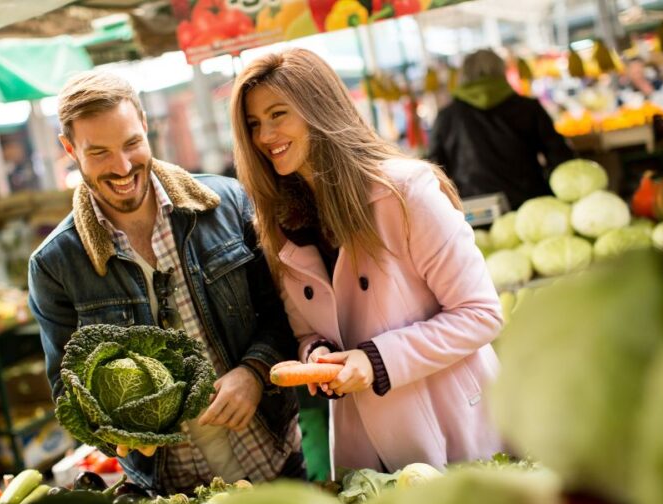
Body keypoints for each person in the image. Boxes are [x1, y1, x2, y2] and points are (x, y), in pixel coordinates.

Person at [27, 70, 304, 495]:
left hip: (276, 463)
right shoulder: (55, 265)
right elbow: (67, 387)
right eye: (98, 152)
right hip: (170, 495)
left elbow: (286, 313)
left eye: (132, 144)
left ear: (145, 126)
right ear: (69, 150)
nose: (122, 167)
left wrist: (255, 371)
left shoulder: (226, 204)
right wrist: (116, 431)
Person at [230, 48, 503, 474]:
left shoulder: (405, 192)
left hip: (452, 423)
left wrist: (375, 361)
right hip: (365, 443)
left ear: (318, 108)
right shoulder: (279, 223)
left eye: (278, 114)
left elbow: (481, 313)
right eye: (253, 124)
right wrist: (317, 355)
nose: (265, 136)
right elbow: (307, 331)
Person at [428, 49, 575, 210]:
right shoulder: (528, 108)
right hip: (531, 204)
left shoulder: (447, 116)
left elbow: (435, 169)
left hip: (475, 209)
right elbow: (560, 155)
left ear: (463, 75)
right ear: (502, 71)